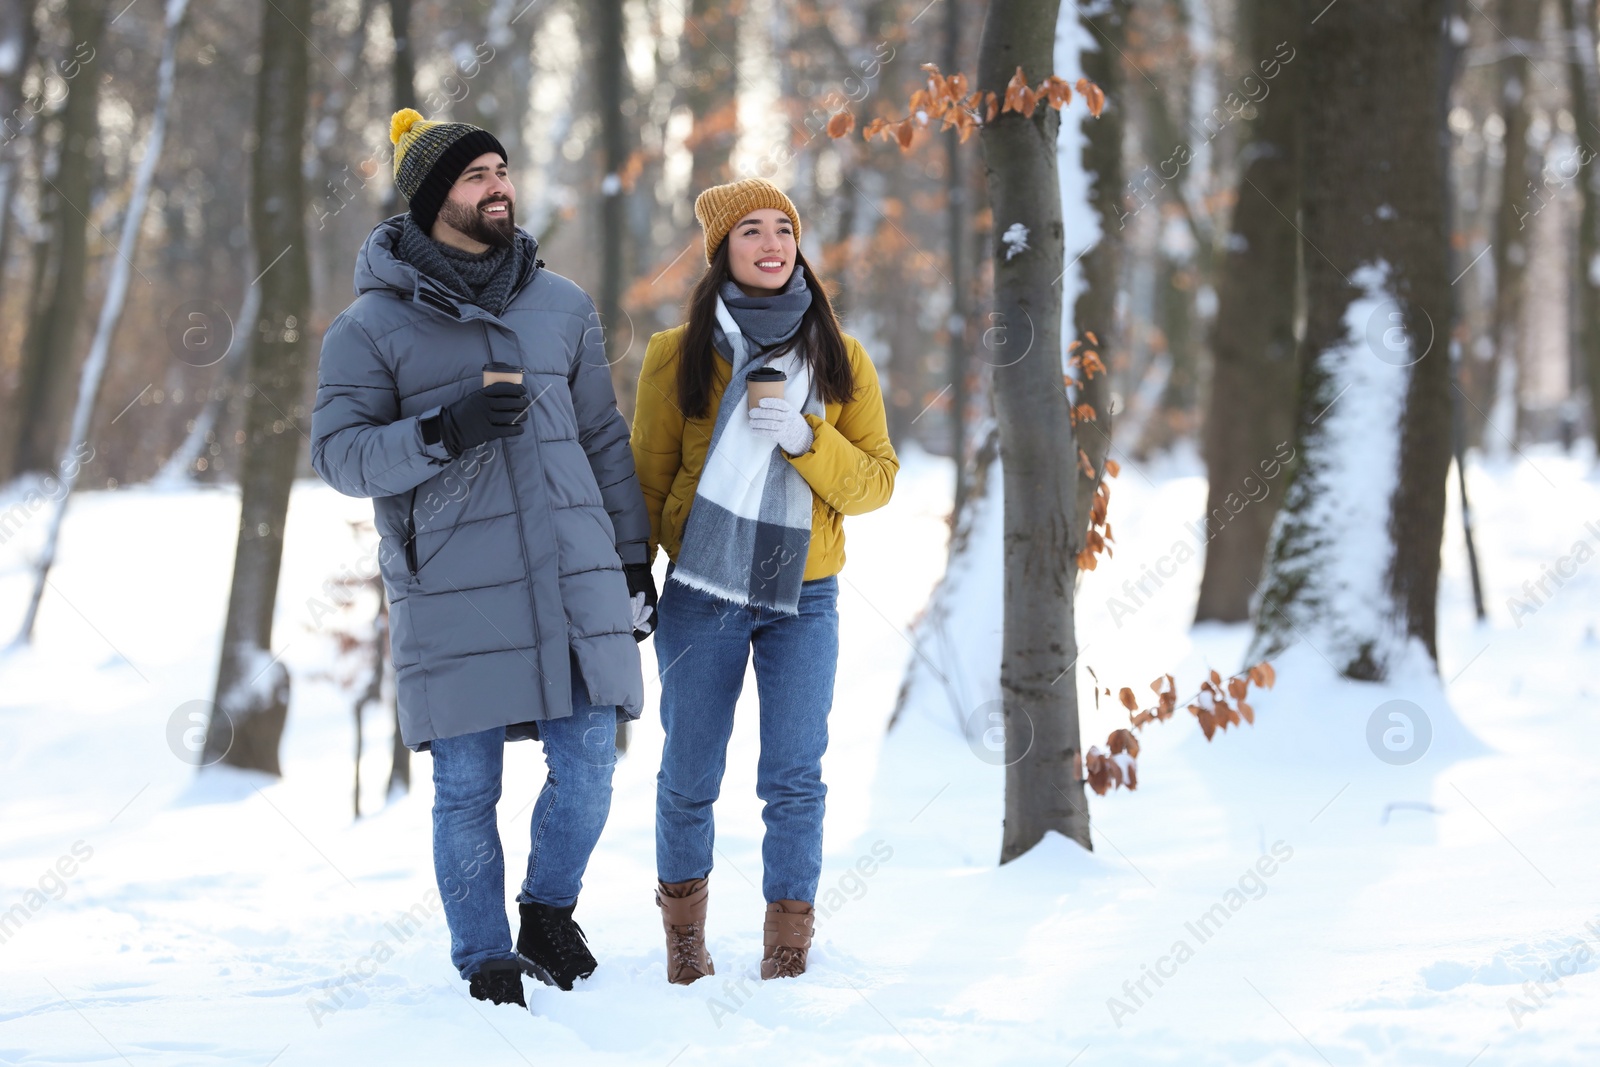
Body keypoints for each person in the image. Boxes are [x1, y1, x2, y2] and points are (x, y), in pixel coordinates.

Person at [309, 109, 658, 1010]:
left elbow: (602, 439)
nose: (498, 185)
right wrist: (440, 431)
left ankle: (547, 909)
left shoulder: (563, 305)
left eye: (501, 169)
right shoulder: (370, 327)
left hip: (576, 574)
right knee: (467, 783)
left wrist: (630, 559)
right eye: (475, 176)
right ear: (432, 200)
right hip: (451, 583)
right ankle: (485, 955)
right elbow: (339, 456)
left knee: (590, 760)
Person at [630, 178, 898, 985]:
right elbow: (643, 482)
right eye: (752, 230)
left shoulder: (841, 359)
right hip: (702, 587)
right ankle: (685, 936)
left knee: (793, 774)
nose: (773, 242)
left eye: (784, 228)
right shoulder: (676, 357)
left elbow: (877, 483)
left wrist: (806, 436)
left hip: (805, 593)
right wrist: (628, 575)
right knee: (689, 771)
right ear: (723, 251)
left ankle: (788, 940)